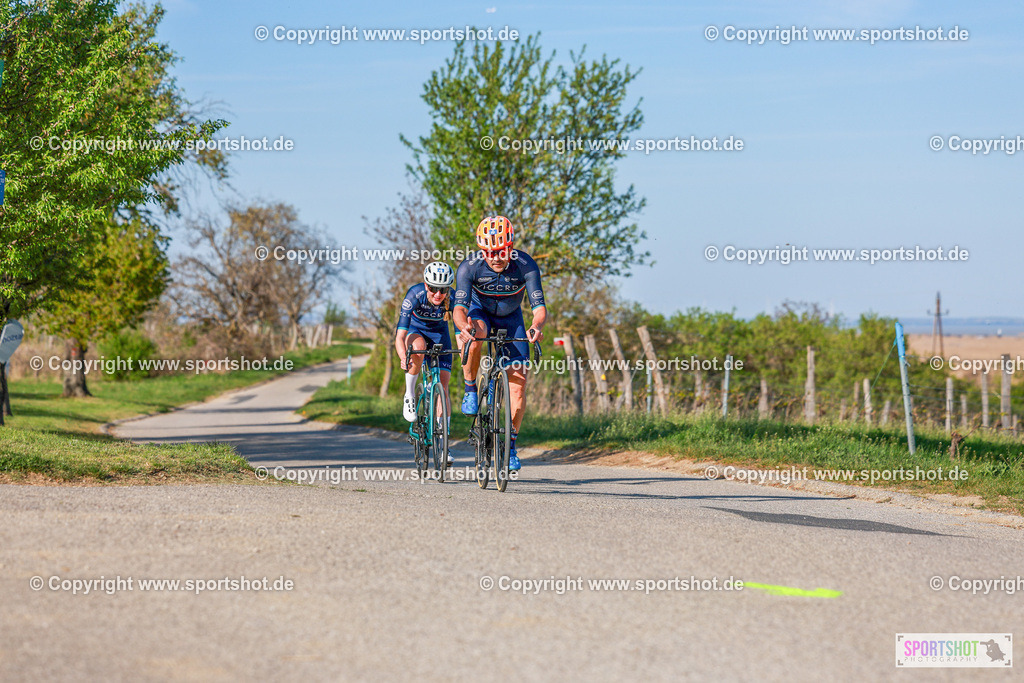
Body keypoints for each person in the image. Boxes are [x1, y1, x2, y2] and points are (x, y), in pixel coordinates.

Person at [453, 215, 546, 472]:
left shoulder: (526, 265)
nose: (495, 257)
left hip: (512, 318)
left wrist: (536, 327)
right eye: (489, 252)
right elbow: (459, 309)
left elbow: (539, 309)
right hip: (479, 312)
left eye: (501, 251)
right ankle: (471, 387)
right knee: (477, 334)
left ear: (511, 247)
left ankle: (511, 444)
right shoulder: (469, 267)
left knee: (518, 388)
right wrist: (464, 328)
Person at [395, 261, 455, 465]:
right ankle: (409, 394)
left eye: (443, 289)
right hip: (416, 332)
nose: (438, 294)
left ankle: (443, 443)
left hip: (440, 336)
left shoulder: (452, 298)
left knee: (443, 388)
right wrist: (404, 356)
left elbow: (459, 329)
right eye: (433, 288)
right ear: (425, 285)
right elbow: (400, 335)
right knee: (418, 348)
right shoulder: (414, 295)